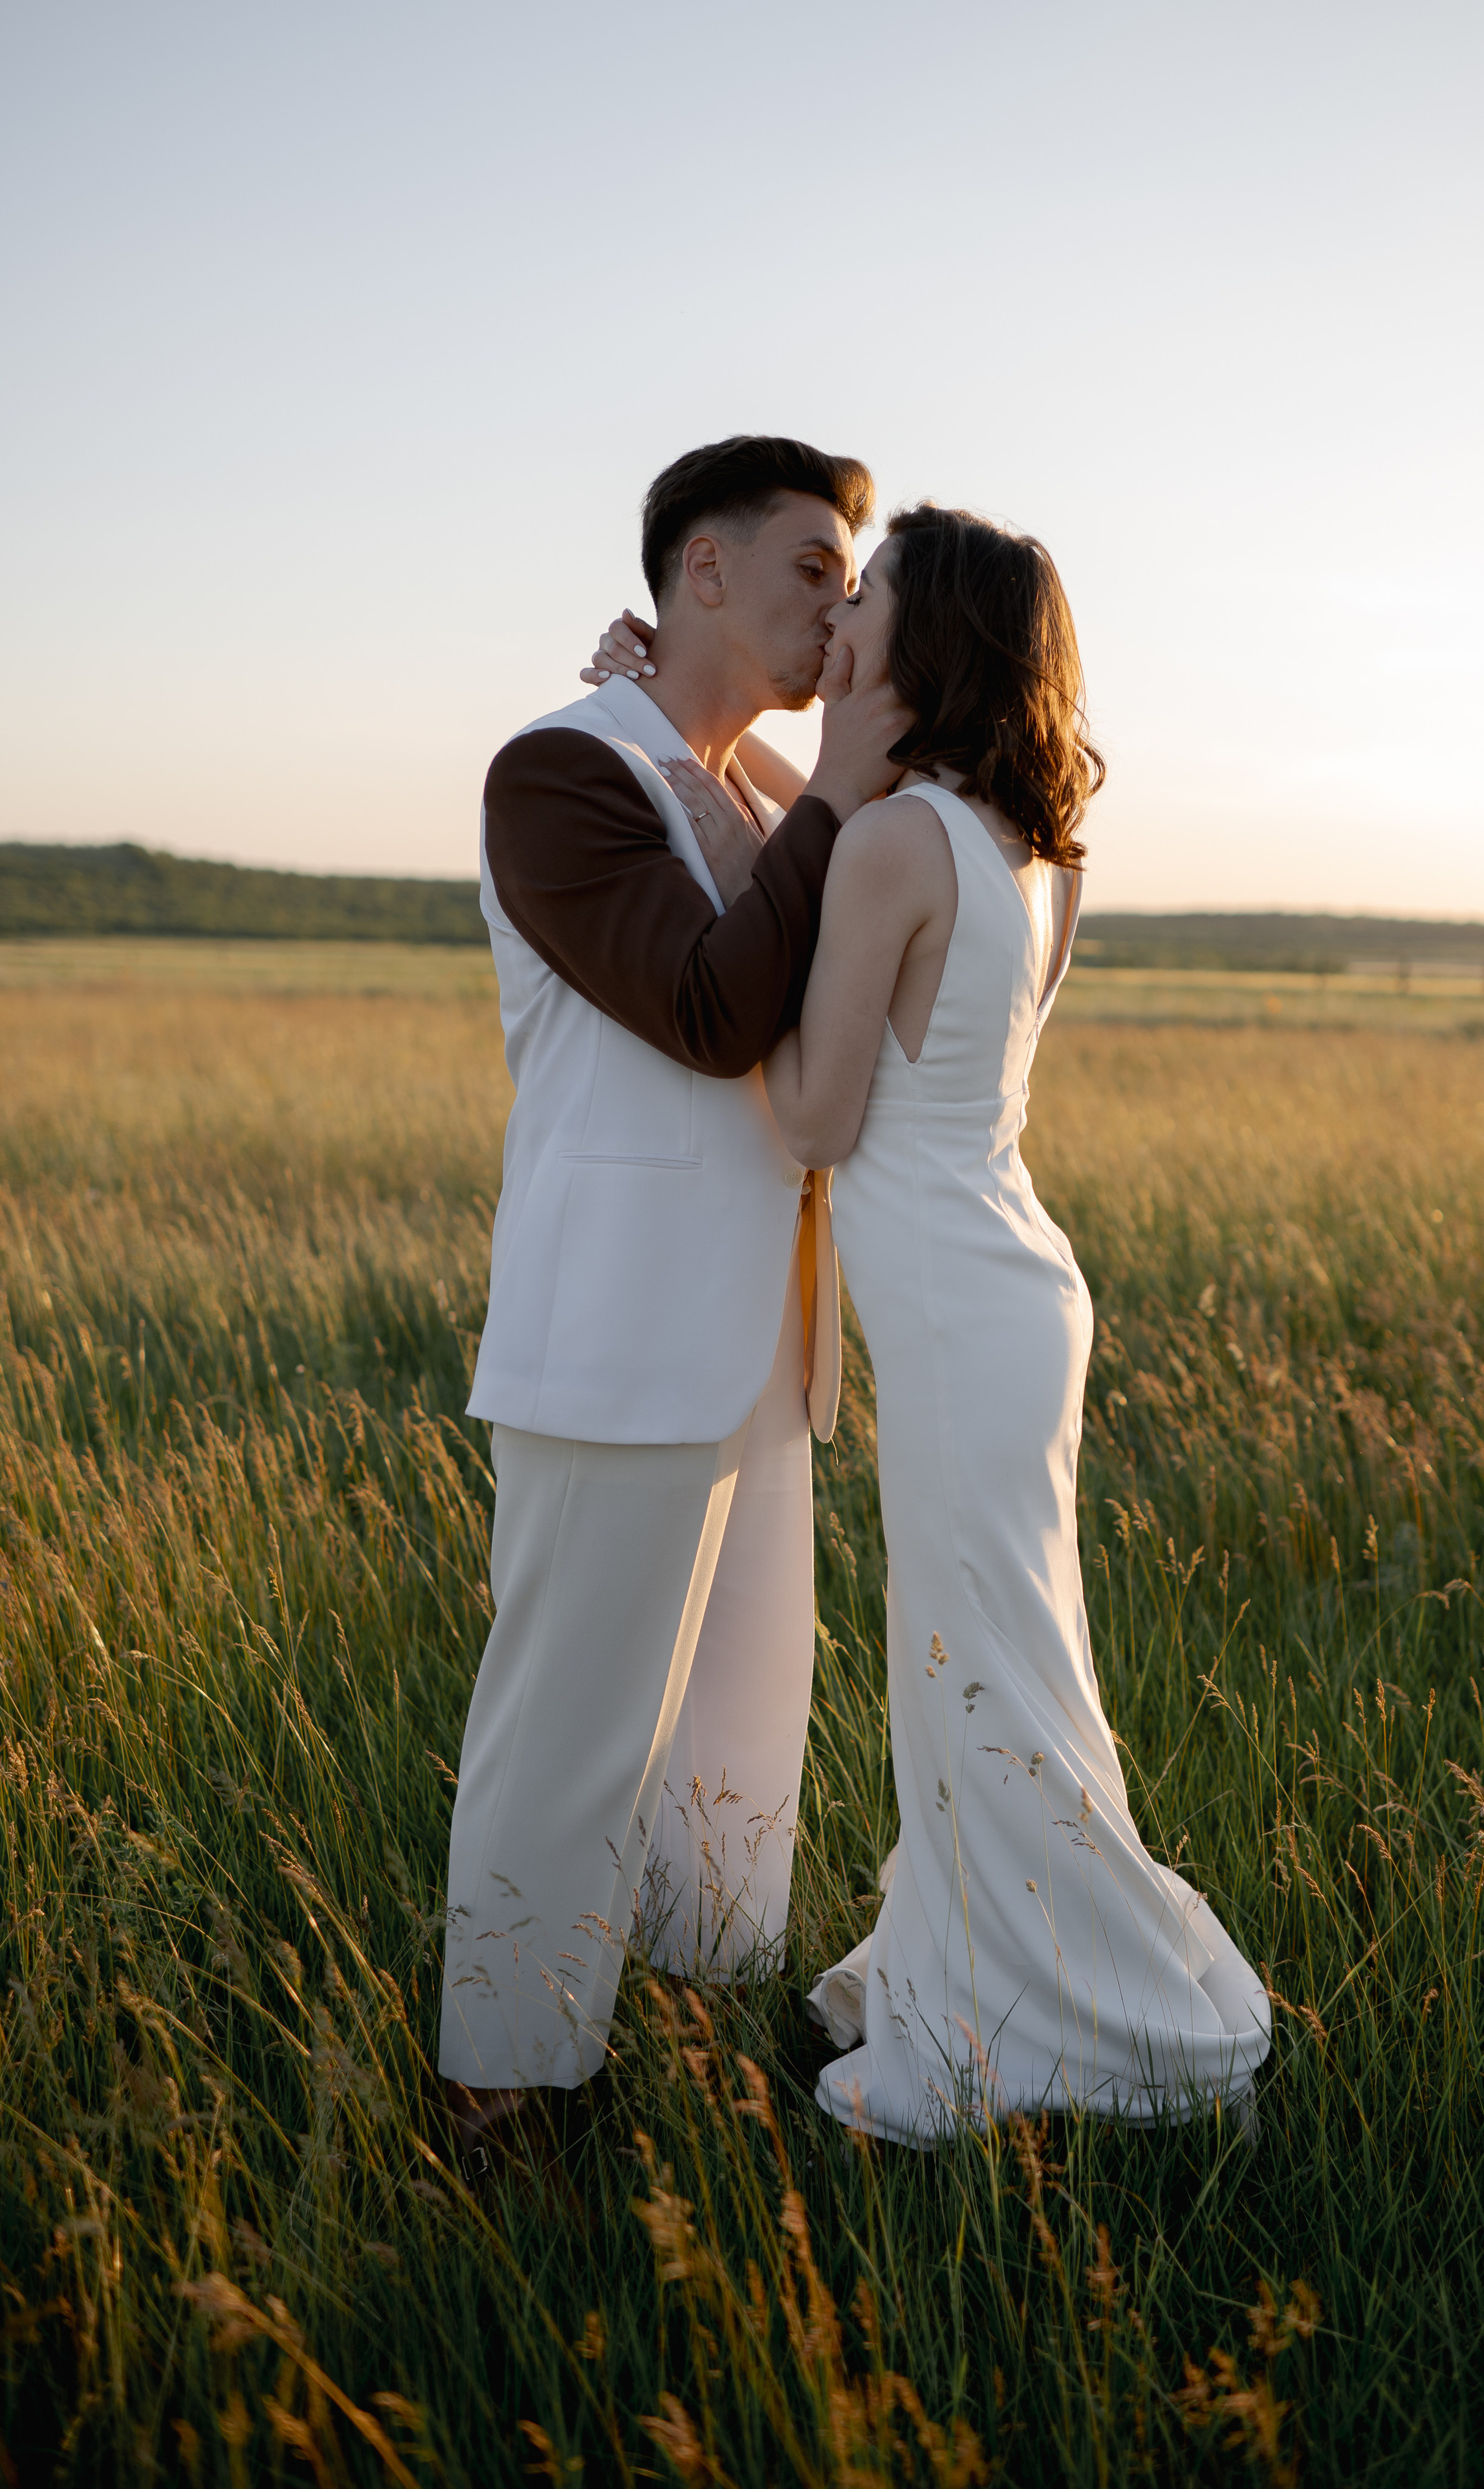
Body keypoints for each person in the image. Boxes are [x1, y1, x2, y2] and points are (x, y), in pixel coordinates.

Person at [653, 504, 1271, 2143]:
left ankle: (1069, 2024)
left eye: (869, 596)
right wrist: (753, 785)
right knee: (1006, 1655)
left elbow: (806, 1118)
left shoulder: (887, 849)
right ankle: (1007, 1957)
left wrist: (733, 965)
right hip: (1014, 1285)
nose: (840, 615)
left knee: (969, 1663)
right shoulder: (1028, 848)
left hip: (936, 1293)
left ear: (926, 643)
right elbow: (872, 861)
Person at [439, 436, 909, 2182]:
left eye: (854, 573)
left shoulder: (755, 793)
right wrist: (834, 790)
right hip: (615, 1332)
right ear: (696, 570)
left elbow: (807, 896)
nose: (841, 602)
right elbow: (717, 1008)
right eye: (811, 565)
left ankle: (698, 2039)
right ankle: (502, 2098)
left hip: (766, 1347)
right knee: (564, 1737)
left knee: (737, 1734)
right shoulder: (554, 776)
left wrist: (812, 779)